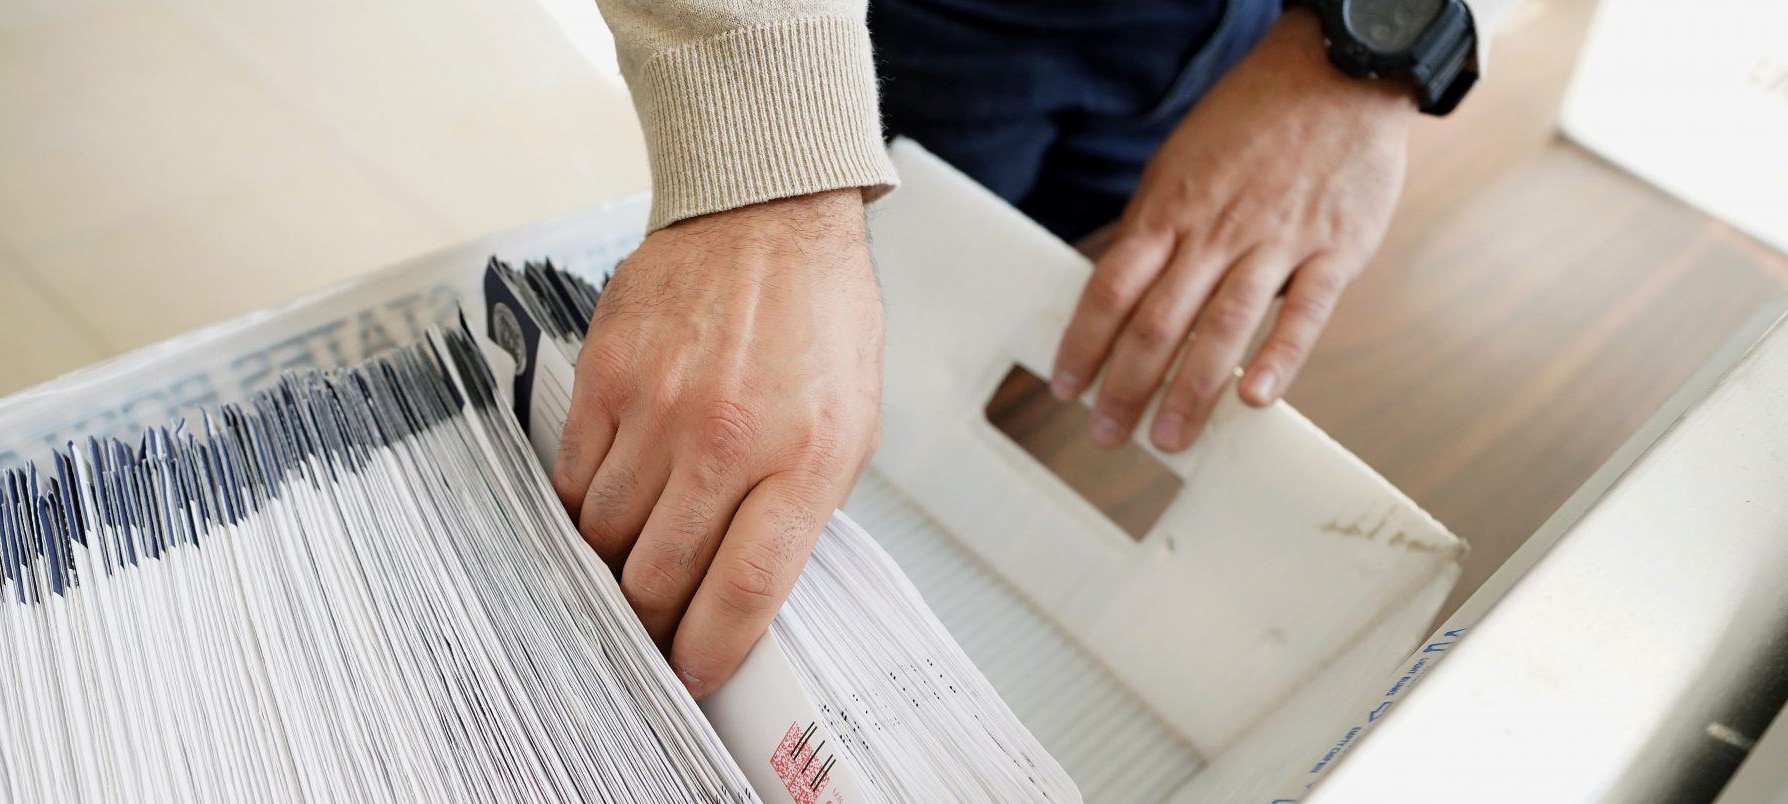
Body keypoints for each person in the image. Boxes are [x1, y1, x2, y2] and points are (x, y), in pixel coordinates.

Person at [569, 0, 1513, 697]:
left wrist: (1375, 49)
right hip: (939, 32)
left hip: (1258, 42)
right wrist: (772, 174)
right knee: (800, 388)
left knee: (1000, 351)